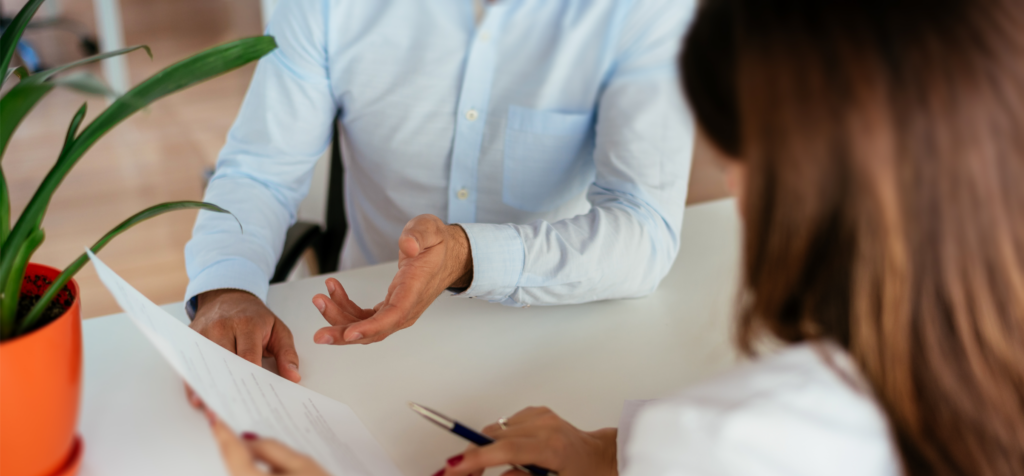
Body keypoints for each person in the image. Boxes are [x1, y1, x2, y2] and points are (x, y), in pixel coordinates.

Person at [209, 0, 1024, 476]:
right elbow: (258, 165)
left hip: (549, 334)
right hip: (385, 352)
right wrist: (615, 452)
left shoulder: (736, 468)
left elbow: (643, 228)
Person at [185, 0, 697, 382]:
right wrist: (227, 287)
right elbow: (260, 169)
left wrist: (467, 257)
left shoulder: (646, 10)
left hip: (560, 326)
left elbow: (644, 224)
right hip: (362, 337)